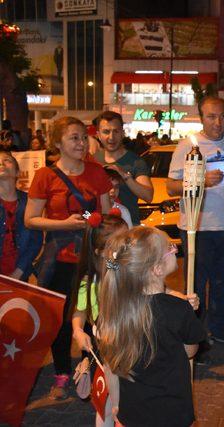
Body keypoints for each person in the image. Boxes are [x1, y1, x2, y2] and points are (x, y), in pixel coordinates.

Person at [25, 116, 112, 400]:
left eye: (83, 137)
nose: (81, 142)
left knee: (94, 316)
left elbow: (105, 216)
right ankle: (62, 372)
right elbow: (31, 220)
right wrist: (65, 224)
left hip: (90, 257)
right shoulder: (45, 176)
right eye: (74, 137)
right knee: (61, 320)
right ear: (58, 143)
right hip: (58, 260)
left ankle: (91, 367)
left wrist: (91, 221)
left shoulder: (96, 172)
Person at [167, 96, 224, 350]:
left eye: (223, 116)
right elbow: (172, 186)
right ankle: (195, 339)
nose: (218, 122)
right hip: (197, 226)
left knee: (221, 283)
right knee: (194, 286)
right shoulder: (188, 145)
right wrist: (199, 180)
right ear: (201, 117)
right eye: (211, 116)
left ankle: (219, 330)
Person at [97, 227, 206, 427]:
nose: (174, 249)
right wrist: (186, 314)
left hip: (131, 414)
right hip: (172, 414)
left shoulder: (116, 311)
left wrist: (116, 405)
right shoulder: (178, 309)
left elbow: (110, 369)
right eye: (170, 248)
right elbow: (190, 351)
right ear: (157, 268)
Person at [69, 213, 128, 426]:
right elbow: (79, 311)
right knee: (108, 402)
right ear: (100, 252)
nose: (128, 246)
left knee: (128, 398)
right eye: (121, 243)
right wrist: (78, 331)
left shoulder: (128, 272)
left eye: (128, 239)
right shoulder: (91, 281)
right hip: (106, 343)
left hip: (130, 339)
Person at [93, 111, 154, 226]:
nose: (111, 137)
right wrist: (90, 218)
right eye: (106, 132)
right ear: (98, 135)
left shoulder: (136, 161)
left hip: (129, 229)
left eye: (116, 131)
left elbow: (148, 196)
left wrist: (124, 175)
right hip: (99, 231)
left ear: (122, 133)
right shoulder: (92, 161)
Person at [0, 152, 42, 281]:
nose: (1, 163)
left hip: (20, 276)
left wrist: (19, 272)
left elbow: (36, 241)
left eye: (7, 160)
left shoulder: (30, 201)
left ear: (18, 172)